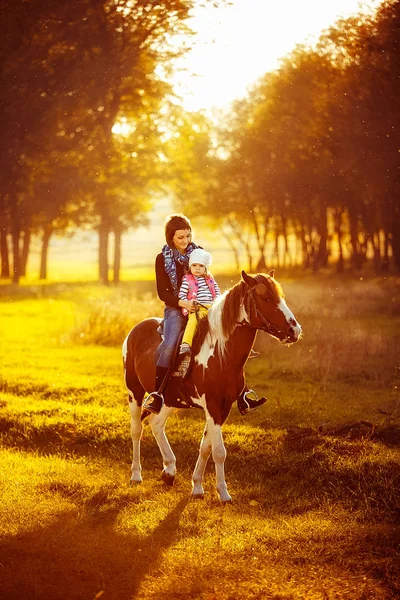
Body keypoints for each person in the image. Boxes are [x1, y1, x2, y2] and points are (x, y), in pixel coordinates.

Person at [143, 213, 267, 416]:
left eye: (188, 236)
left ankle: (242, 393)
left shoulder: (198, 253)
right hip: (177, 307)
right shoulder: (162, 259)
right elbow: (163, 293)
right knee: (170, 343)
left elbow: (208, 280)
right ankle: (157, 394)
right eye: (180, 237)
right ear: (170, 238)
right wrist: (183, 302)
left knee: (227, 340)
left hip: (204, 305)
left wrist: (214, 303)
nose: (185, 241)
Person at [178, 248, 220, 358]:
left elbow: (217, 292)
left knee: (225, 321)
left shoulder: (210, 279)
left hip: (212, 308)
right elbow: (182, 295)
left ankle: (231, 344)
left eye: (201, 266)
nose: (197, 268)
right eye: (194, 265)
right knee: (193, 322)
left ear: (205, 268)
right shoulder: (187, 280)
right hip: (197, 309)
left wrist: (218, 303)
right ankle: (185, 344)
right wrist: (187, 303)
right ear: (190, 266)